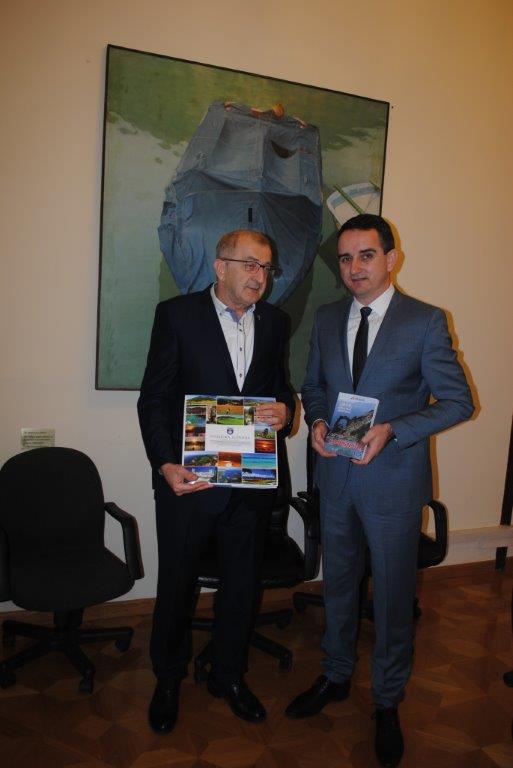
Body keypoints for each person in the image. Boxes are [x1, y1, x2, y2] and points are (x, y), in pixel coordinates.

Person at [286, 214, 474, 767]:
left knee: (392, 598)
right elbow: (313, 387)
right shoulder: (326, 319)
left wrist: (394, 429)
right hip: (336, 478)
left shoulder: (425, 321)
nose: (355, 268)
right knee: (339, 584)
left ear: (391, 259)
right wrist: (318, 421)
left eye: (366, 255)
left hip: (392, 482)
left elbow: (458, 402)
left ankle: (388, 700)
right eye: (345, 258)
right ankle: (336, 674)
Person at [138, 229, 295, 734]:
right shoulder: (177, 316)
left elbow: (280, 388)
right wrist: (165, 464)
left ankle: (228, 675)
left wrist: (286, 411)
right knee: (177, 583)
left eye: (266, 267)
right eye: (249, 264)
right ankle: (168, 678)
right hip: (190, 482)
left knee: (242, 586)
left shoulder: (275, 322)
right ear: (220, 266)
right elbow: (153, 399)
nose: (259, 276)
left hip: (249, 483)